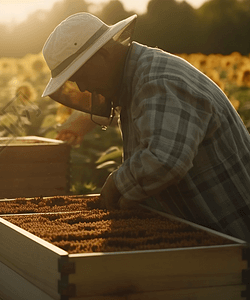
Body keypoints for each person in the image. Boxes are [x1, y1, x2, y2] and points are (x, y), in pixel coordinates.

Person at [41, 12, 250, 242]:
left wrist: (117, 183)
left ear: (102, 55)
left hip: (236, 237)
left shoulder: (159, 81)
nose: (81, 85)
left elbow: (165, 158)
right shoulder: (137, 77)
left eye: (80, 75)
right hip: (208, 237)